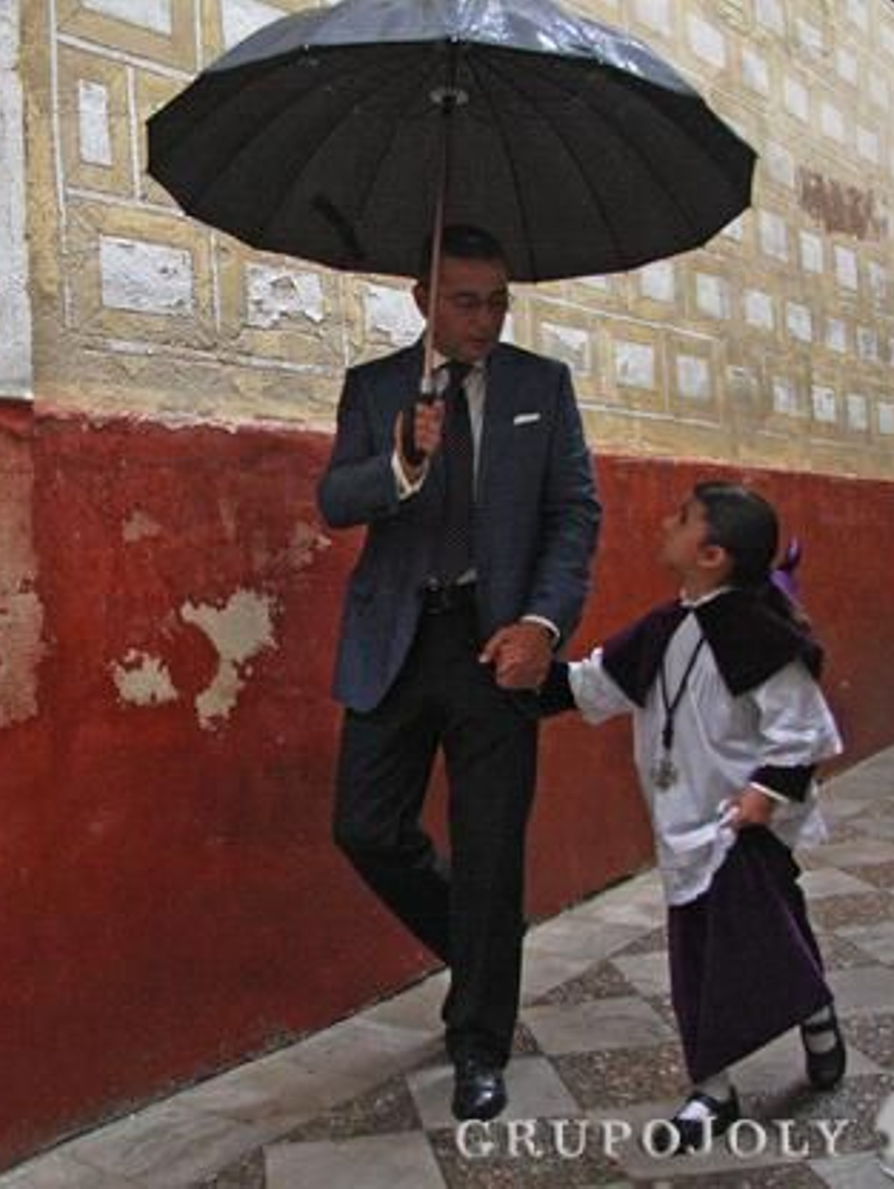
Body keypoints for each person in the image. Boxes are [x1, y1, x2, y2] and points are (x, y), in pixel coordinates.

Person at [318, 224, 601, 1122]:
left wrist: (544, 625)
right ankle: (481, 949)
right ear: (422, 301)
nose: (484, 319)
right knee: (365, 825)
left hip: (497, 648)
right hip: (397, 642)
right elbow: (333, 501)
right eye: (465, 301)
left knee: (489, 849)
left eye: (497, 301)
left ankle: (479, 1039)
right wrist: (400, 460)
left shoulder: (541, 387)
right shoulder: (375, 389)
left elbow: (574, 513)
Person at [539, 481, 846, 1150]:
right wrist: (527, 674)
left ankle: (796, 1025)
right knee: (699, 952)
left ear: (711, 554)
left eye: (680, 519)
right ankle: (723, 1081)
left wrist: (763, 796)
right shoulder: (663, 626)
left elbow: (802, 731)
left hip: (742, 826)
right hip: (681, 824)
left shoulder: (759, 634)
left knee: (753, 944)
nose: (662, 522)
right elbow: (595, 684)